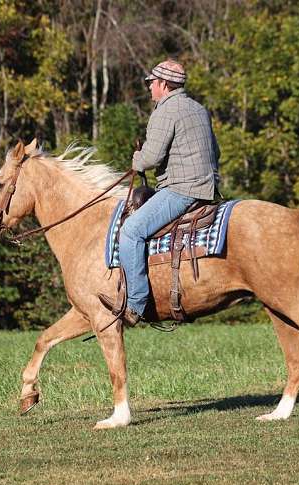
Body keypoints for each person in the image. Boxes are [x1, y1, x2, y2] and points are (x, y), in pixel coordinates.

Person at [100, 60, 220, 326]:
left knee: (130, 231)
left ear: (164, 84)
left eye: (151, 83)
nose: (149, 88)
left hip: (181, 190)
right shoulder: (199, 109)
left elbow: (151, 158)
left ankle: (135, 305)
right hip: (206, 189)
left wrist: (137, 159)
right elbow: (216, 152)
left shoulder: (165, 110)